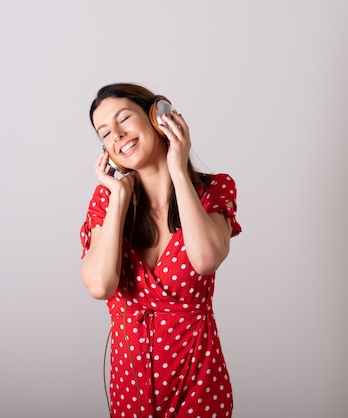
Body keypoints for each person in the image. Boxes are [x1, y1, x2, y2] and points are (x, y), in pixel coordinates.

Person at [79, 83, 242, 417]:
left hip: (197, 380)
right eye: (105, 132)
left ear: (158, 117)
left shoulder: (213, 190)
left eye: (124, 118)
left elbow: (206, 259)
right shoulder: (107, 202)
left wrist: (179, 170)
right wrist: (119, 200)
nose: (118, 135)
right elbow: (99, 286)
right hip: (130, 380)